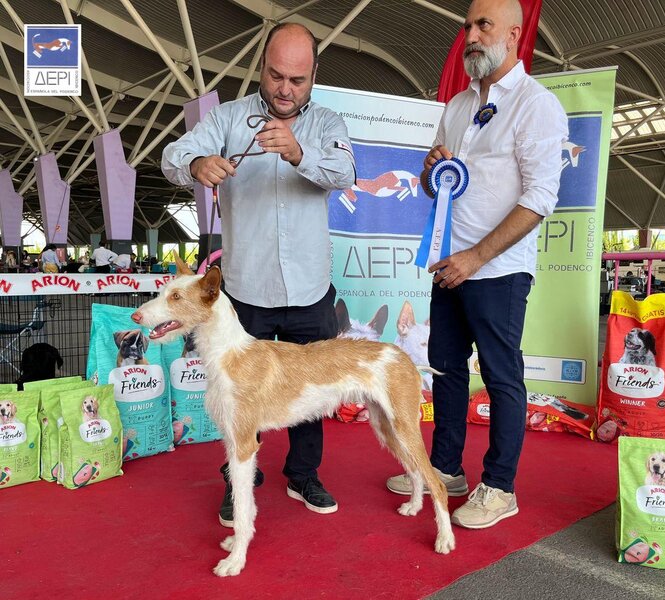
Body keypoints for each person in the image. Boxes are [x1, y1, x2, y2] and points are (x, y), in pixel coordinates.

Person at [162, 23, 356, 527]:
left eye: (297, 79)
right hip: (245, 291)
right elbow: (170, 158)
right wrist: (198, 163)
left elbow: (345, 174)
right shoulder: (227, 118)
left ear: (314, 75)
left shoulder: (328, 123)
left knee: (312, 391)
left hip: (310, 289)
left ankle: (303, 474)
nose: (284, 89)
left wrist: (299, 152)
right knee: (238, 397)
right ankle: (239, 480)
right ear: (261, 68)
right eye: (275, 76)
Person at [386, 0, 568, 529]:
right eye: (467, 26)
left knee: (501, 376)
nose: (470, 35)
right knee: (445, 369)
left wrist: (477, 256)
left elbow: (540, 197)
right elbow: (435, 187)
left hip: (498, 270)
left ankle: (500, 488)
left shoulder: (536, 104)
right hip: (450, 265)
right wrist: (429, 172)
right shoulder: (458, 105)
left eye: (483, 25)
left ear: (513, 34)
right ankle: (445, 470)